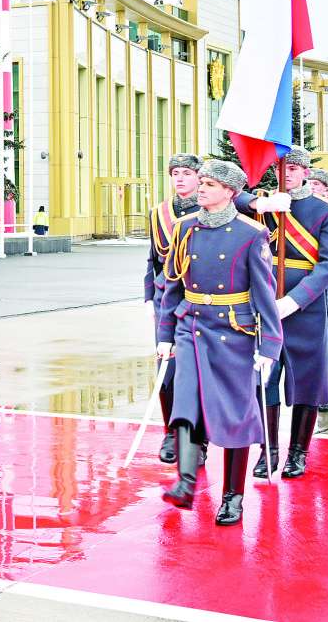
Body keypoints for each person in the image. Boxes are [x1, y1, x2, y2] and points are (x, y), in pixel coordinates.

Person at [156, 159, 282, 526]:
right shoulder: (184, 228)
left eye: (210, 184)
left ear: (230, 192)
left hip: (233, 330)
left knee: (235, 413)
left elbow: (264, 293)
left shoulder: (251, 233)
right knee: (186, 402)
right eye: (202, 182)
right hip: (192, 325)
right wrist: (165, 334)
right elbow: (173, 285)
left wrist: (269, 345)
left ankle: (233, 496)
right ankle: (186, 481)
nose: (202, 188)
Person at [236, 146, 328, 480]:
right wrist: (260, 204)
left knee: (307, 380)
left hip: (305, 307)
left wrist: (295, 300)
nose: (287, 174)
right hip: (264, 301)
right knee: (264, 377)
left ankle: (298, 452)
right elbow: (231, 198)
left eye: (294, 168)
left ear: (306, 172)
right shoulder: (264, 204)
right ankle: (268, 450)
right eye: (282, 168)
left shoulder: (325, 210)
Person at [146, 152, 202, 466]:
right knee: (166, 368)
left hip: (197, 296)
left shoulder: (209, 210)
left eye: (186, 173)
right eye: (175, 173)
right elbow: (153, 259)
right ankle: (170, 432)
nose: (179, 178)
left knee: (197, 371)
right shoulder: (159, 213)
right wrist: (148, 298)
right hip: (164, 298)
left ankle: (196, 439)